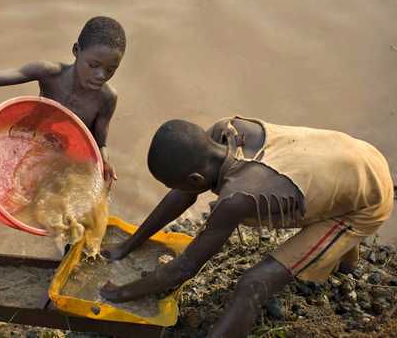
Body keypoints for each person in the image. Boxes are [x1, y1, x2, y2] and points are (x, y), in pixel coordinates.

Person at [99, 115, 393, 337]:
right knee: (324, 193)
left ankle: (345, 250)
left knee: (253, 284)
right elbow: (182, 195)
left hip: (366, 204)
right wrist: (126, 245)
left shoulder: (239, 198)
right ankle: (347, 265)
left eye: (171, 184)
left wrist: (118, 294)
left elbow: (186, 267)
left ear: (196, 181)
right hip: (354, 157)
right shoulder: (225, 130)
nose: (173, 190)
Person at [0, 16, 126, 189]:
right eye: (93, 65)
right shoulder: (50, 74)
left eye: (111, 69)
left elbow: (100, 142)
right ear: (76, 50)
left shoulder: (106, 98)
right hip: (29, 138)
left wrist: (105, 162)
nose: (101, 75)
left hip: (64, 156)